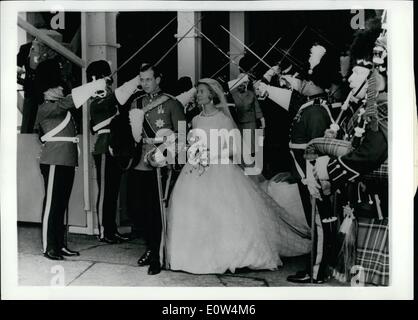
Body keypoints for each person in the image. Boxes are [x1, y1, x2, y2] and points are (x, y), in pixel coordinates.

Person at [164, 78, 311, 274]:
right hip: (196, 170)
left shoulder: (223, 120)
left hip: (220, 169)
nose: (197, 95)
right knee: (190, 208)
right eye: (197, 91)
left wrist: (212, 154)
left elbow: (235, 148)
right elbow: (192, 143)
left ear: (211, 96)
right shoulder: (196, 120)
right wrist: (194, 152)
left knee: (224, 211)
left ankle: (231, 255)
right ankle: (191, 256)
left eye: (201, 91)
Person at [311, 15, 389, 286]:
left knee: (373, 283)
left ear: (375, 75)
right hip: (362, 199)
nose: (349, 76)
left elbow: (371, 152)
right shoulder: (367, 106)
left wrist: (328, 169)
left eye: (358, 71)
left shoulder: (380, 107)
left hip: (377, 201)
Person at [255, 43, 340, 283]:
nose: (300, 83)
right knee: (317, 223)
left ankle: (317, 271)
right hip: (304, 174)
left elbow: (316, 149)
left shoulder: (315, 111)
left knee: (321, 224)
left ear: (314, 84)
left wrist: (311, 177)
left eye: (304, 81)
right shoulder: (308, 106)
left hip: (310, 175)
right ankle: (317, 266)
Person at [35, 59, 107, 260]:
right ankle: (49, 246)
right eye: (55, 86)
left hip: (67, 157)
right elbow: (71, 100)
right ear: (46, 89)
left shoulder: (58, 106)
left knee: (61, 204)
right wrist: (94, 85)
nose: (60, 88)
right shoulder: (45, 107)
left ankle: (60, 244)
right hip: (54, 157)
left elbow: (69, 100)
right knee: (52, 204)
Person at [128, 63, 186, 275]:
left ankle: (157, 254)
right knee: (139, 210)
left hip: (162, 161)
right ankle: (150, 247)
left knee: (156, 211)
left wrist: (167, 157)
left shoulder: (172, 103)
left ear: (158, 79)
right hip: (140, 162)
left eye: (148, 79)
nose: (144, 84)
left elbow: (181, 135)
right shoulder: (136, 102)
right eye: (141, 80)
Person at [87, 60, 140, 244]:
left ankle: (111, 229)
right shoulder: (98, 94)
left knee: (112, 192)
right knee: (106, 193)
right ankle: (104, 231)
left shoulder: (106, 92)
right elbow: (107, 104)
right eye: (105, 75)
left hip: (114, 145)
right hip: (104, 146)